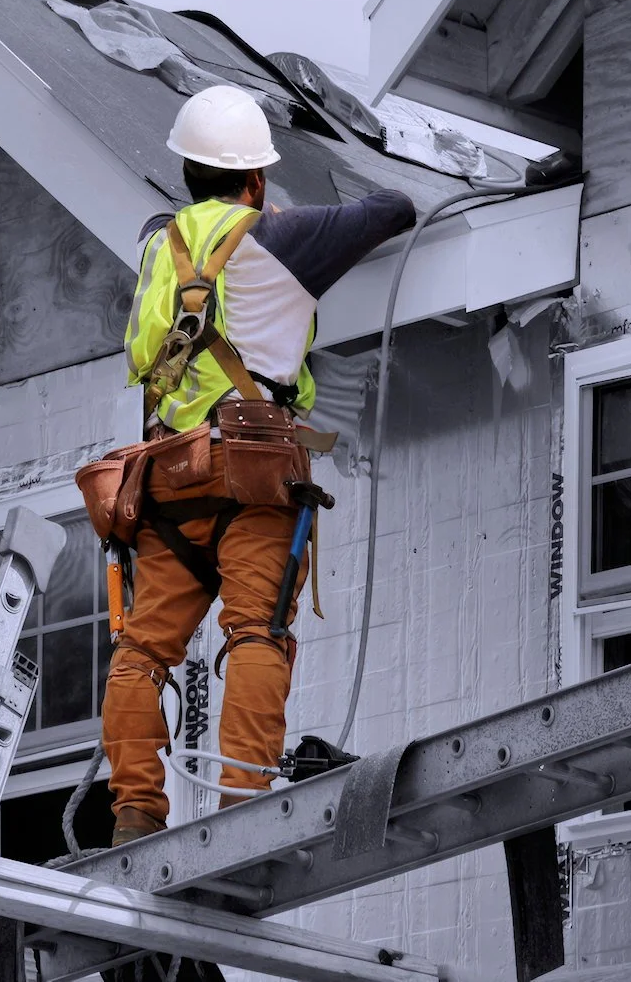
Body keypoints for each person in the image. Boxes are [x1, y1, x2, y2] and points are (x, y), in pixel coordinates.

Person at [101, 85, 417, 846]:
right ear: (257, 181)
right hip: (250, 473)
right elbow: (394, 209)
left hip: (169, 483)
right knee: (255, 632)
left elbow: (165, 226)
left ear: (187, 173)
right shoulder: (281, 241)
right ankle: (244, 803)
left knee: (141, 651)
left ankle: (135, 808)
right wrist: (281, 221)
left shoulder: (156, 244)